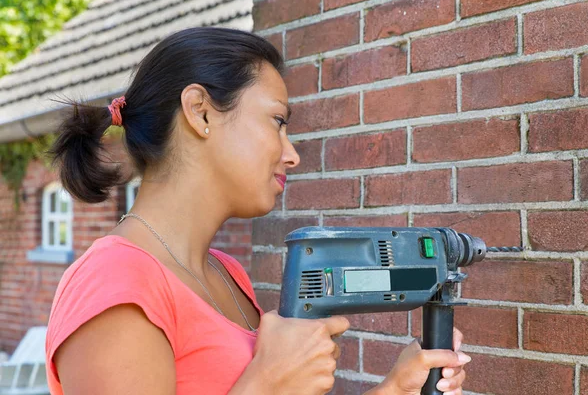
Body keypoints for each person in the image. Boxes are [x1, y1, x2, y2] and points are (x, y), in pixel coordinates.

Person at [45, 27, 470, 395]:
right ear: (201, 111)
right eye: (278, 122)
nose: (292, 155)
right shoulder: (116, 284)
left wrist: (395, 388)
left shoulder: (228, 275)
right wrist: (269, 382)